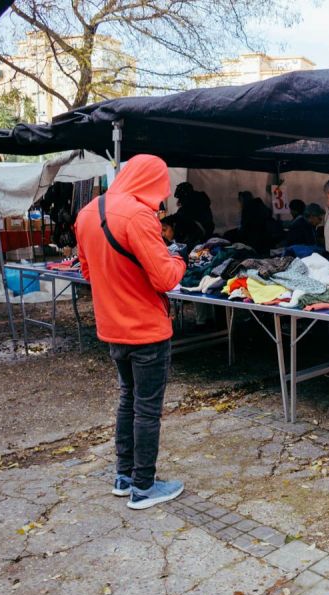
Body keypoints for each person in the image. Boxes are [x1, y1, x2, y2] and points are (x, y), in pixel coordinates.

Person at [76, 155, 187, 509]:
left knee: (128, 399)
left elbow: (88, 273)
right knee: (147, 408)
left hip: (112, 327)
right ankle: (144, 487)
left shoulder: (88, 212)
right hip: (146, 329)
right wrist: (180, 260)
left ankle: (124, 476)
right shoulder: (139, 216)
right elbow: (166, 278)